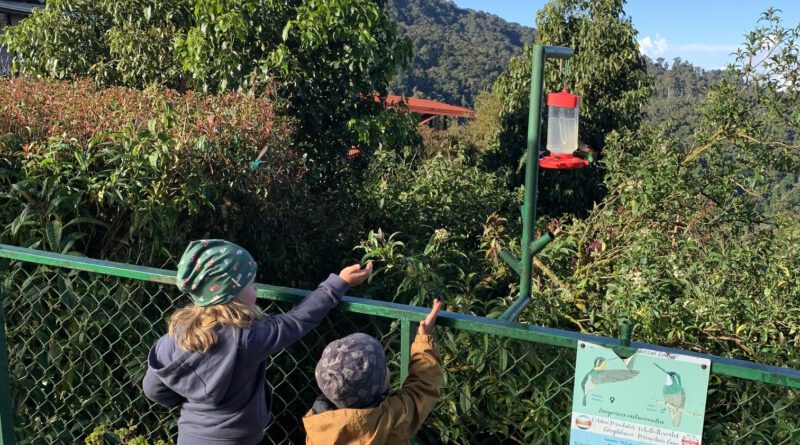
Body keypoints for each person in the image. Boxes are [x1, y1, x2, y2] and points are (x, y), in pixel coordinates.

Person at [142, 239, 372, 445]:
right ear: (230, 293)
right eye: (251, 284)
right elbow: (298, 320)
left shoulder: (174, 337)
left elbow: (153, 389)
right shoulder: (246, 338)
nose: (256, 288)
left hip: (190, 437)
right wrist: (338, 284)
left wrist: (195, 397)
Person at [303, 298, 444, 444]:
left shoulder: (318, 428)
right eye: (384, 369)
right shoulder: (390, 420)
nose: (387, 369)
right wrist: (424, 338)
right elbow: (421, 389)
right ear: (377, 388)